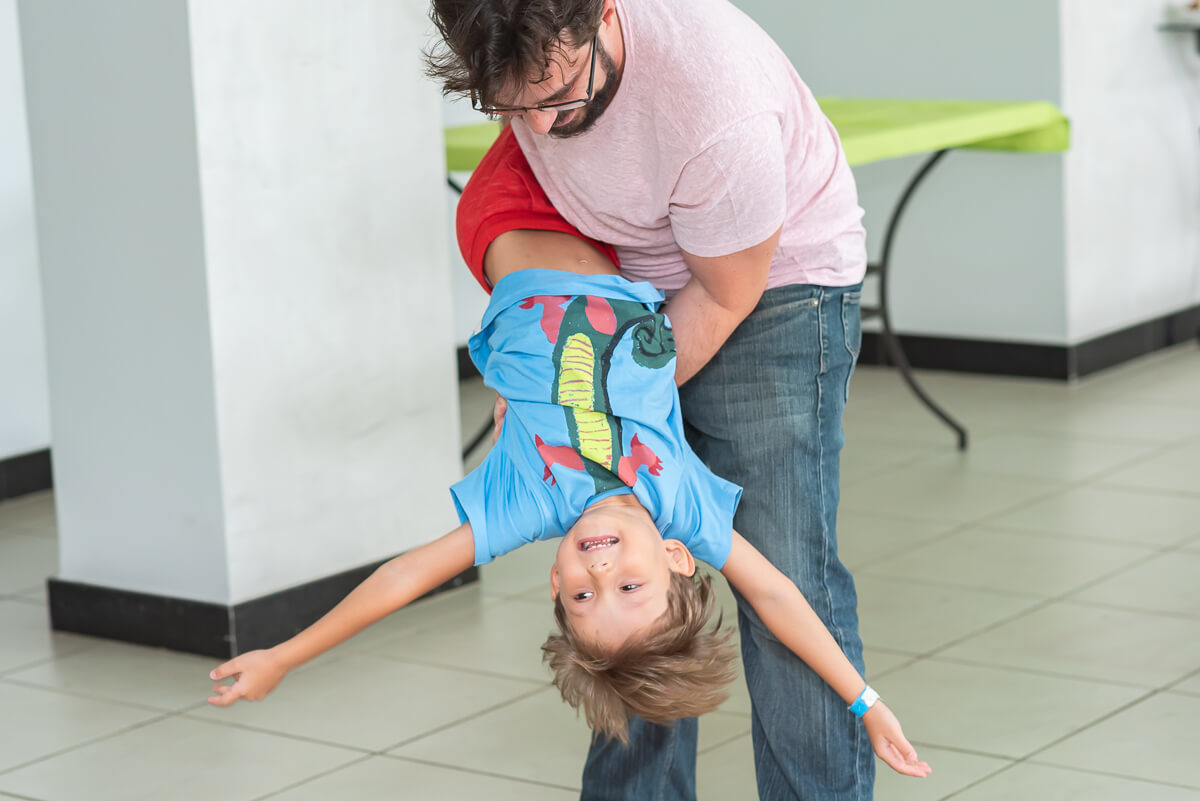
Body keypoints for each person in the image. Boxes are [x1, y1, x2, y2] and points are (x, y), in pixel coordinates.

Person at [206, 135, 930, 781]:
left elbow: (403, 578)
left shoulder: (531, 500)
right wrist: (865, 701)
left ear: (555, 577)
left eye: (581, 597)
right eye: (629, 589)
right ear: (679, 558)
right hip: (609, 236)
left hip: (515, 210)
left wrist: (284, 657)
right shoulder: (685, 506)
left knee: (551, 88)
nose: (601, 573)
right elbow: (777, 595)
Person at [425, 0, 873, 798]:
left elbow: (724, 295)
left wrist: (595, 413)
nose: (538, 124)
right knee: (634, 603)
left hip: (764, 288)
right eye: (511, 107)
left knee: (782, 574)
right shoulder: (530, 55)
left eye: (556, 96)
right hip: (629, 279)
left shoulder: (714, 102)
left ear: (600, 14)